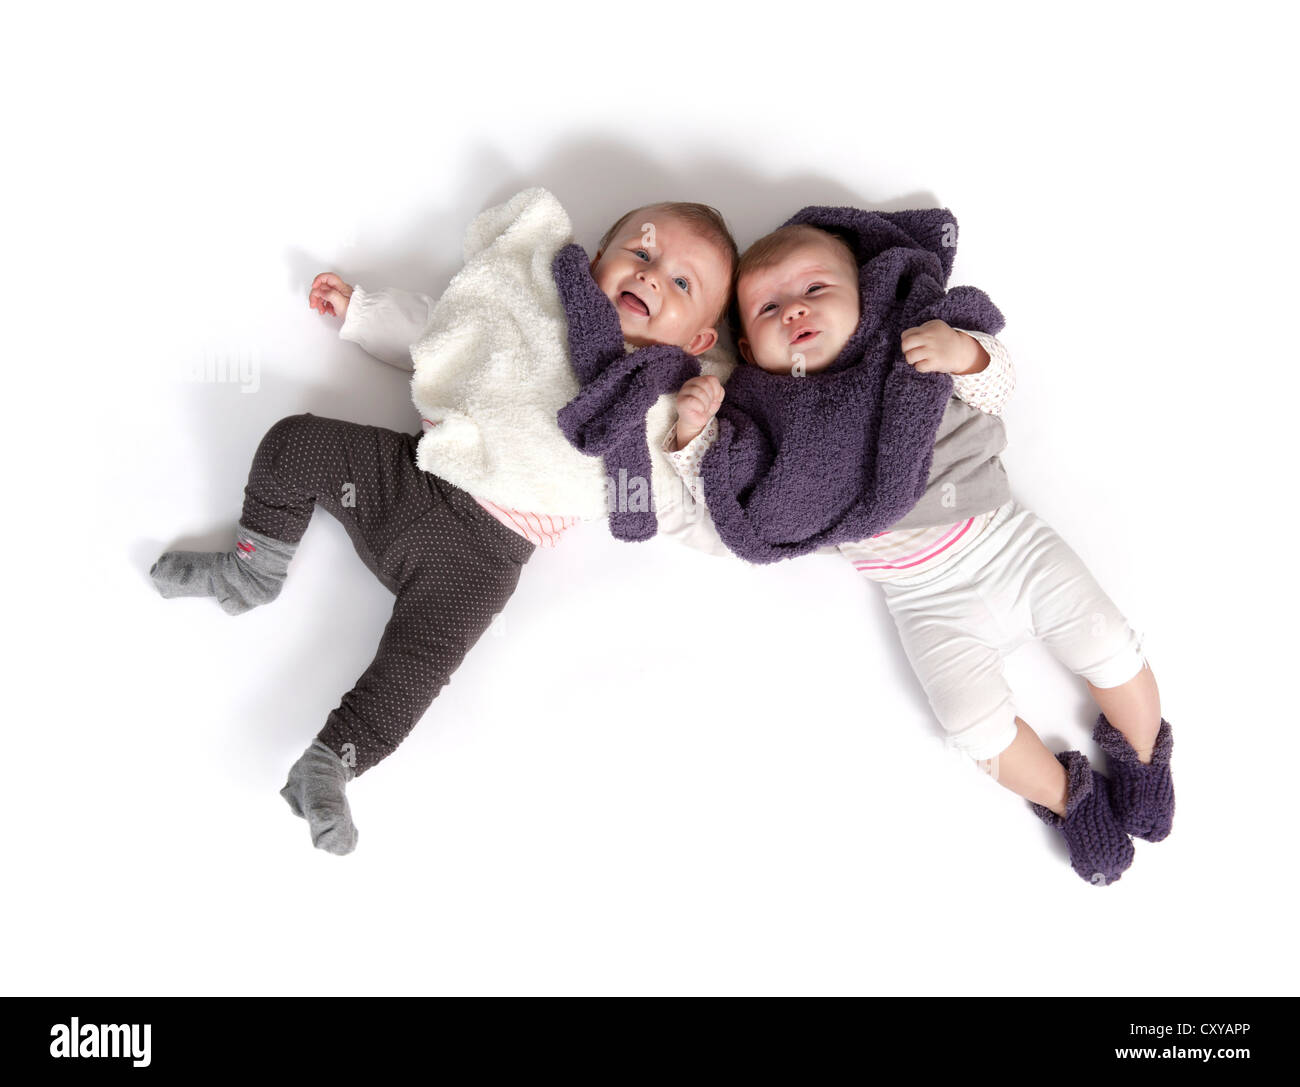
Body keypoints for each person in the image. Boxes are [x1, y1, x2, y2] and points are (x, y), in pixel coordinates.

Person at [149, 193, 737, 855]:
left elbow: (674, 504)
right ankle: (253, 567)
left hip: (479, 562)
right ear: (599, 259)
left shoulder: (659, 409)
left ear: (698, 341)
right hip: (408, 476)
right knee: (295, 444)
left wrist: (687, 432)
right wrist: (362, 313)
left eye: (681, 283)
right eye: (641, 251)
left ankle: (331, 763)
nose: (652, 276)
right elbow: (444, 335)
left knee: (415, 669)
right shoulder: (533, 309)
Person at [663, 217, 1173, 885]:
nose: (795, 310)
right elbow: (730, 487)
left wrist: (964, 352)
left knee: (1108, 642)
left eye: (816, 287)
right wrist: (692, 431)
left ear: (864, 295)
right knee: (971, 722)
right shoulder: (761, 411)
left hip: (1006, 541)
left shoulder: (905, 347)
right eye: (767, 308)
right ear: (747, 348)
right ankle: (1066, 798)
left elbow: (996, 387)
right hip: (922, 599)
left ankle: (1141, 753)